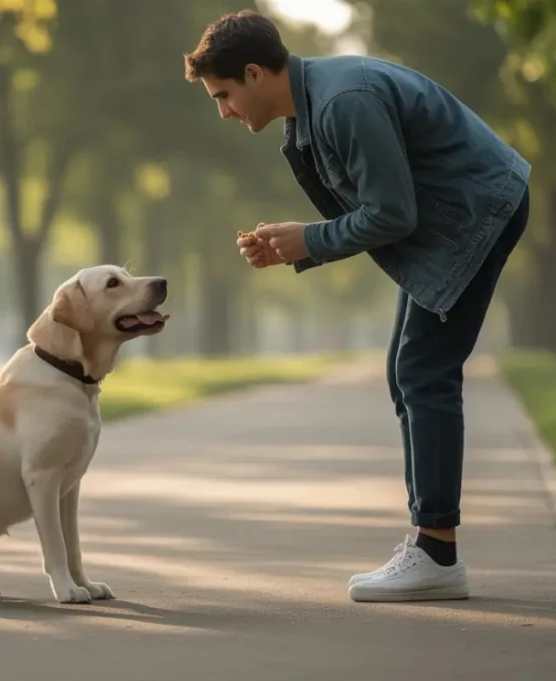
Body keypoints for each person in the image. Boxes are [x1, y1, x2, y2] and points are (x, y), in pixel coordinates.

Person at [183, 10, 531, 603]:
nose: (224, 111)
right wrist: (298, 243)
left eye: (224, 95)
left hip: (476, 213)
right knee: (408, 372)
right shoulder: (314, 104)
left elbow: (393, 214)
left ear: (253, 73)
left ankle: (437, 552)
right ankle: (430, 543)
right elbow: (381, 207)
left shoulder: (344, 101)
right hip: (454, 215)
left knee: (425, 373)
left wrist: (310, 240)